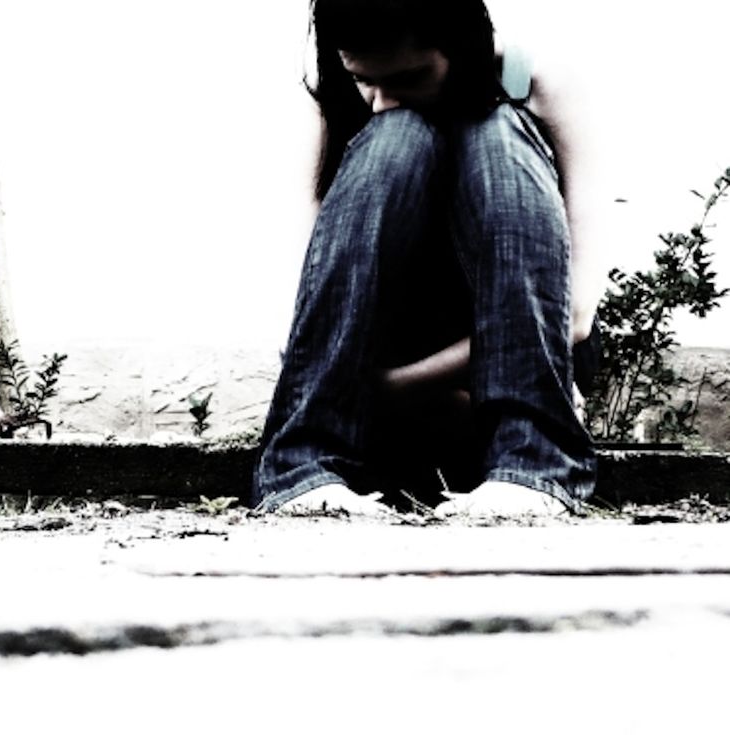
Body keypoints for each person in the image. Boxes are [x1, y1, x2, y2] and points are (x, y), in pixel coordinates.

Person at [250, 0, 605, 517]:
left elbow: (573, 319)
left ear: (464, 46)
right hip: (386, 359)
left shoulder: (538, 79)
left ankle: (533, 465)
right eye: (363, 81)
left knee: (497, 127)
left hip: (519, 358)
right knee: (397, 136)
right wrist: (380, 383)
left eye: (409, 76)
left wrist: (386, 389)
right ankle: (301, 469)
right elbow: (315, 305)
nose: (379, 103)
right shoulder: (332, 98)